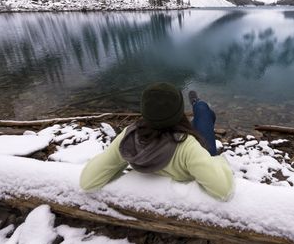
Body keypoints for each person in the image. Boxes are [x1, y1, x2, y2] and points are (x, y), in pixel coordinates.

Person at [79, 82, 234, 201]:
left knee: (199, 123)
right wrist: (218, 161)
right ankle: (198, 103)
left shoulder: (129, 137)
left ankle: (198, 105)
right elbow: (223, 190)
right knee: (204, 115)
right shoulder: (187, 145)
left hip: (173, 142)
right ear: (179, 112)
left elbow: (87, 182)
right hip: (199, 161)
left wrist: (118, 164)